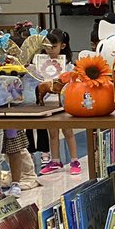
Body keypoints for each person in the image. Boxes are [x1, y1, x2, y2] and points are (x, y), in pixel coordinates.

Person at [31, 29, 82, 176]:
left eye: (53, 47)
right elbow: (37, 78)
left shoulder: (68, 65)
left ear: (62, 46)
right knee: (52, 133)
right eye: (47, 47)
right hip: (48, 103)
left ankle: (74, 161)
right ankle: (55, 161)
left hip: (65, 103)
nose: (50, 50)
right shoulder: (41, 63)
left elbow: (74, 81)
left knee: (68, 131)